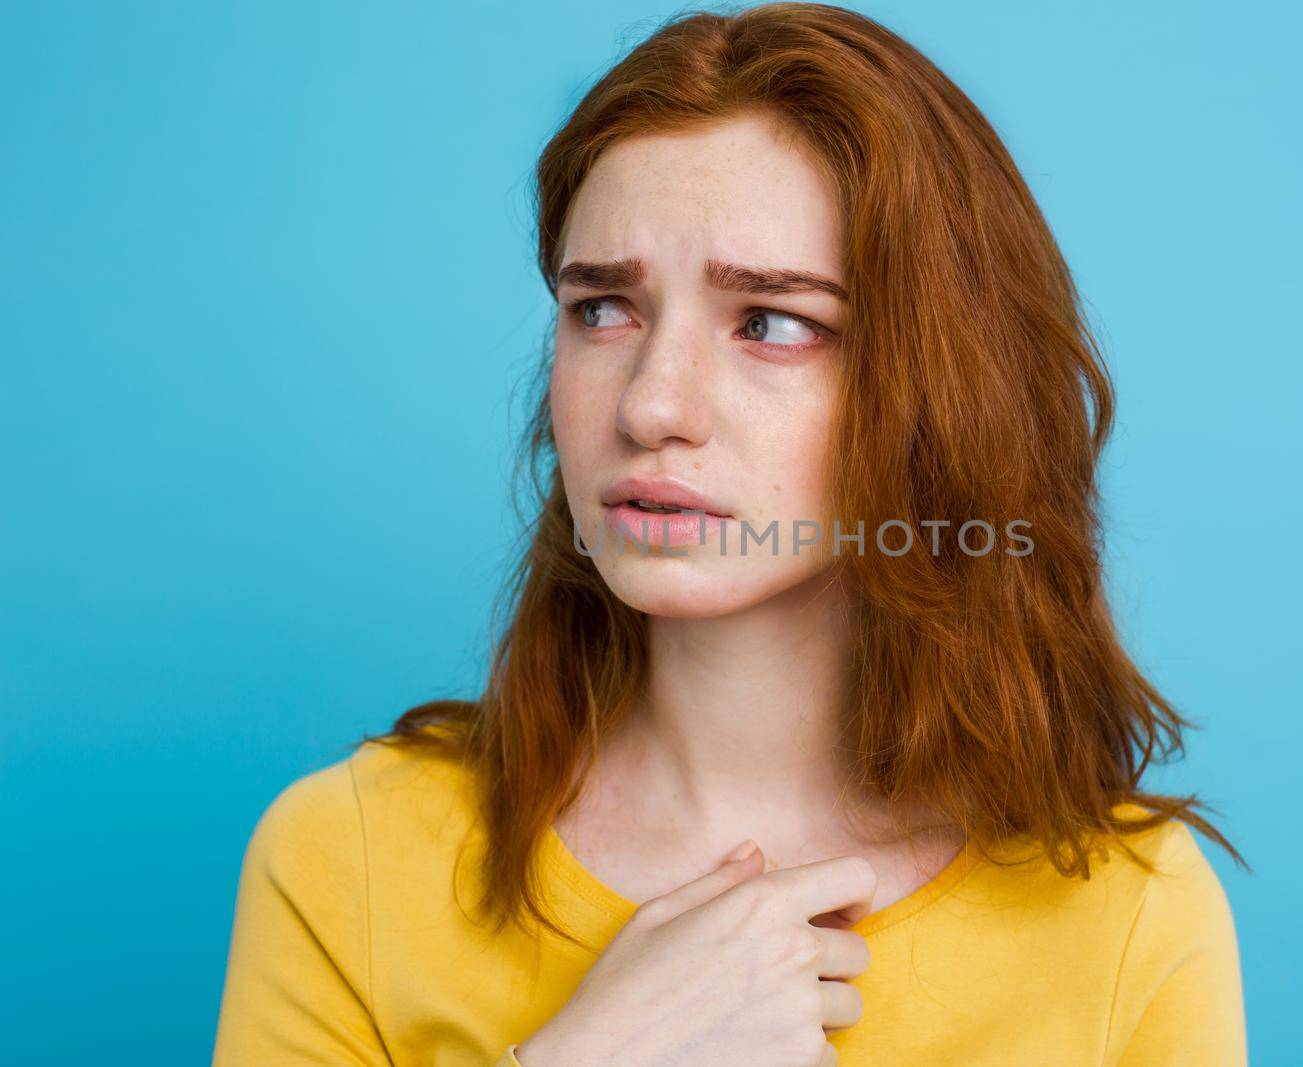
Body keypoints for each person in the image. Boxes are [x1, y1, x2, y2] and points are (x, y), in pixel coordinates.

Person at [213, 3, 1248, 1064]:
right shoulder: (349, 855)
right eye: (604, 308)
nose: (650, 405)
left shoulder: (1127, 913)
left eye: (770, 323)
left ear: (945, 390)